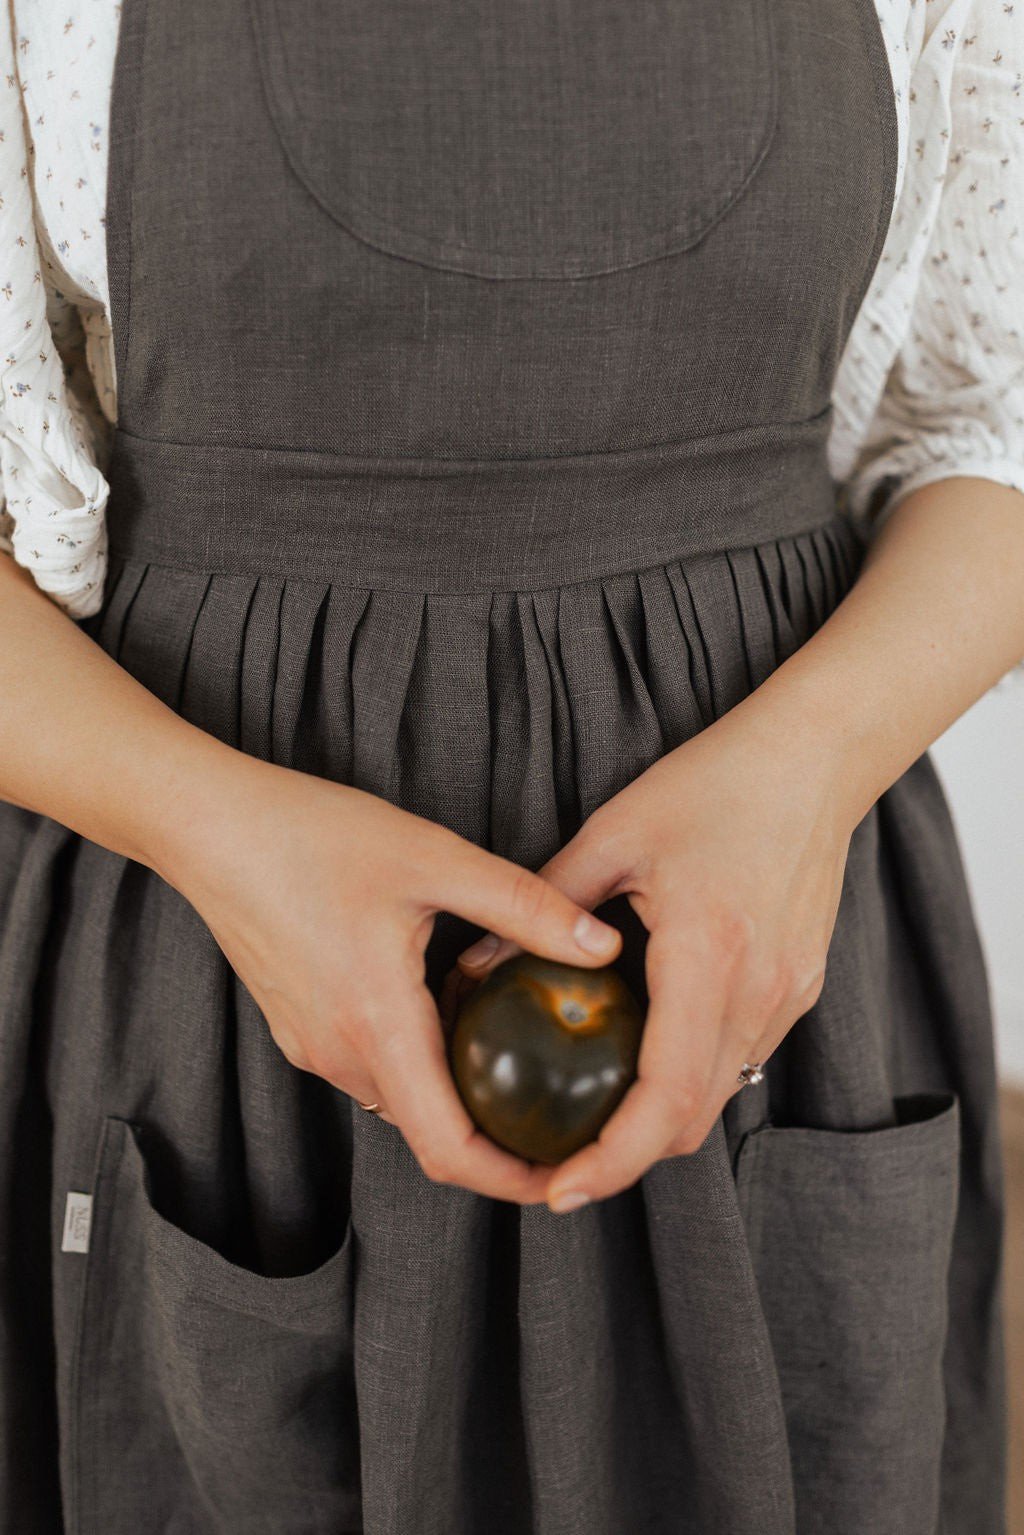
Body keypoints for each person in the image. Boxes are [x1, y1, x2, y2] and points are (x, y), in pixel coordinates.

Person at [1, 0, 1022, 1530]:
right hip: (208, 992)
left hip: (775, 985)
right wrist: (212, 828)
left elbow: (993, 421)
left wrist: (811, 773)